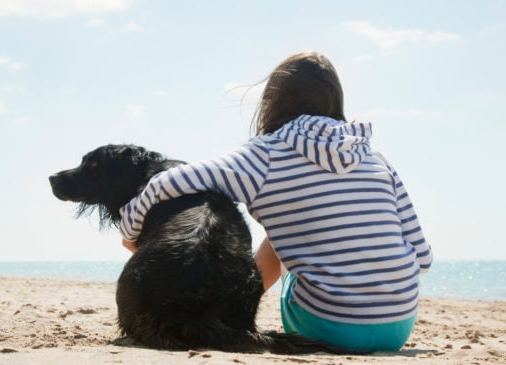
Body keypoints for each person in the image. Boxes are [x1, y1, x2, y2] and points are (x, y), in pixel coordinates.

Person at [118, 51, 432, 352]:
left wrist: (131, 233)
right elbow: (423, 256)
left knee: (284, 236)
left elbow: (168, 182)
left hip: (330, 326)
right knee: (295, 228)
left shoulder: (266, 153)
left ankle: (235, 310)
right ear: (337, 100)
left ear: (273, 101)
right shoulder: (375, 157)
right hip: (398, 327)